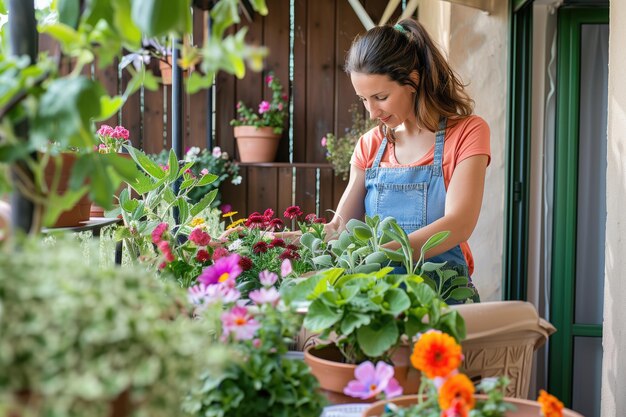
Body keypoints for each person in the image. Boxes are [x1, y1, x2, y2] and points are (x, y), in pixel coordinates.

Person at [324, 19, 490, 302]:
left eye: (381, 97)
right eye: (363, 99)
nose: (372, 111)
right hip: (378, 303)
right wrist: (274, 241)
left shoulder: (467, 132)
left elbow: (460, 223)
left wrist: (381, 253)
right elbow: (340, 228)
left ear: (413, 81)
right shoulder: (370, 145)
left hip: (443, 300)